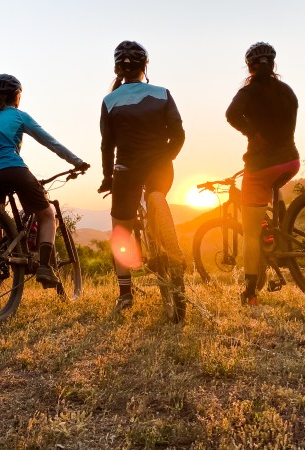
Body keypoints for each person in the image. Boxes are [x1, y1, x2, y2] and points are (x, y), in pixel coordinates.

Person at [0, 74, 89, 300]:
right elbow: (50, 142)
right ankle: (45, 267)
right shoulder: (19, 115)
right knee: (47, 214)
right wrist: (77, 162)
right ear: (17, 96)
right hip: (12, 170)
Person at [98, 40, 186, 312]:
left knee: (121, 230)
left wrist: (107, 178)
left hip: (126, 172)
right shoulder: (162, 93)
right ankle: (166, 245)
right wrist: (166, 157)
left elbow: (107, 146)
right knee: (156, 195)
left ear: (117, 69)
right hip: (162, 168)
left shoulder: (109, 101)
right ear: (145, 66)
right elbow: (179, 134)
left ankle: (125, 294)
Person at [225, 42, 300, 306]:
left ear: (250, 67)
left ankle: (250, 294)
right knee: (273, 187)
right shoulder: (287, 91)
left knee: (250, 233)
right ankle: (279, 229)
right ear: (273, 63)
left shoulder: (248, 92)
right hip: (291, 161)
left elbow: (230, 115)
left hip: (260, 167)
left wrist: (252, 133)